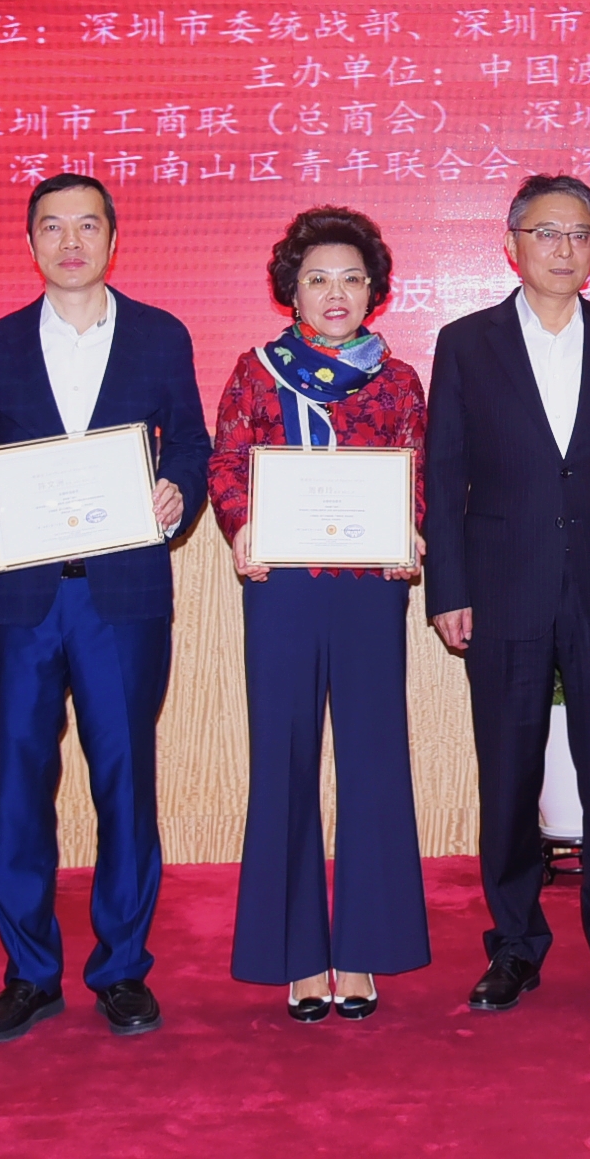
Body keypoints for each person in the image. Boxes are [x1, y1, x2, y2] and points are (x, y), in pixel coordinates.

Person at [0, 173, 208, 1044]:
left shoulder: (160, 335)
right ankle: (29, 975)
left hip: (121, 598)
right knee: (21, 788)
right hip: (19, 600)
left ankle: (121, 970)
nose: (69, 242)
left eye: (86, 225)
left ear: (111, 240)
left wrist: (177, 491)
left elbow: (191, 445)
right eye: (51, 227)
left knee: (124, 783)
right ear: (30, 244)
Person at [422, 174, 590, 1013]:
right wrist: (449, 588)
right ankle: (514, 945)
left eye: (578, 234)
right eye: (545, 233)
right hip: (503, 588)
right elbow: (445, 475)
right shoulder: (467, 342)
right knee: (507, 774)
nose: (562, 249)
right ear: (512, 245)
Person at [205, 206, 432, 1022]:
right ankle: (296, 955)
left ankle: (365, 949)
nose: (335, 294)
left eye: (351, 279)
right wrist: (242, 527)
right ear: (291, 291)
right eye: (317, 279)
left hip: (369, 587)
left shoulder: (398, 380)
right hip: (285, 586)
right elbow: (227, 463)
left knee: (374, 762)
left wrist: (410, 529)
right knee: (284, 761)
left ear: (373, 291)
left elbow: (417, 472)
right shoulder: (256, 372)